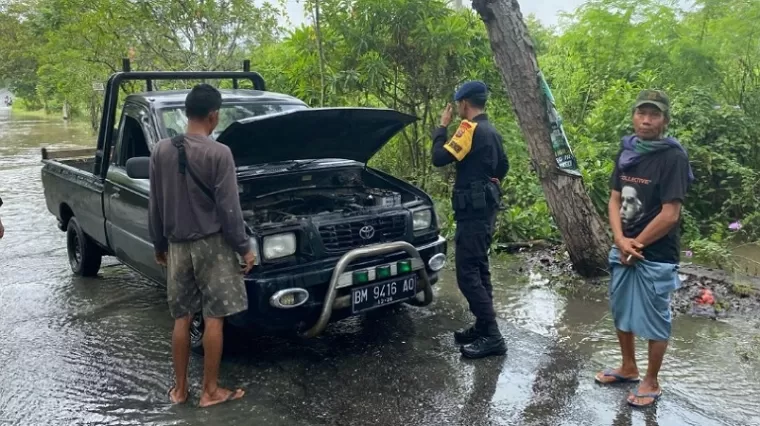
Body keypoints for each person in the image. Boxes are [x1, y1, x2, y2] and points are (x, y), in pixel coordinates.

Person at [148, 83, 256, 407]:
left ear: (185, 112)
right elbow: (229, 208)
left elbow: (155, 204)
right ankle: (210, 392)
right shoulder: (219, 153)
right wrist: (244, 247)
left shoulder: (160, 151)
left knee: (181, 317)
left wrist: (158, 244)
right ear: (214, 116)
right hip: (213, 245)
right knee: (213, 319)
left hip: (177, 245)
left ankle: (180, 391)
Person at [595, 89, 693, 408]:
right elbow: (614, 198)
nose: (646, 120)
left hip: (656, 253)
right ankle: (628, 367)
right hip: (623, 246)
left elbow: (670, 214)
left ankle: (651, 380)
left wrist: (634, 243)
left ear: (664, 120)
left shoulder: (672, 157)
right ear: (633, 115)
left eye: (654, 115)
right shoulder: (627, 152)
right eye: (641, 113)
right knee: (621, 308)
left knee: (655, 317)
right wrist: (620, 239)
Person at [431, 80, 509, 359]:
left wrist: (441, 127)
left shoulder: (469, 129)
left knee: (466, 274)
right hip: (486, 210)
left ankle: (493, 336)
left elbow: (439, 158)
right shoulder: (492, 131)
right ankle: (483, 325)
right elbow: (504, 166)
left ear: (464, 104)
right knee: (479, 268)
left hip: (472, 213)